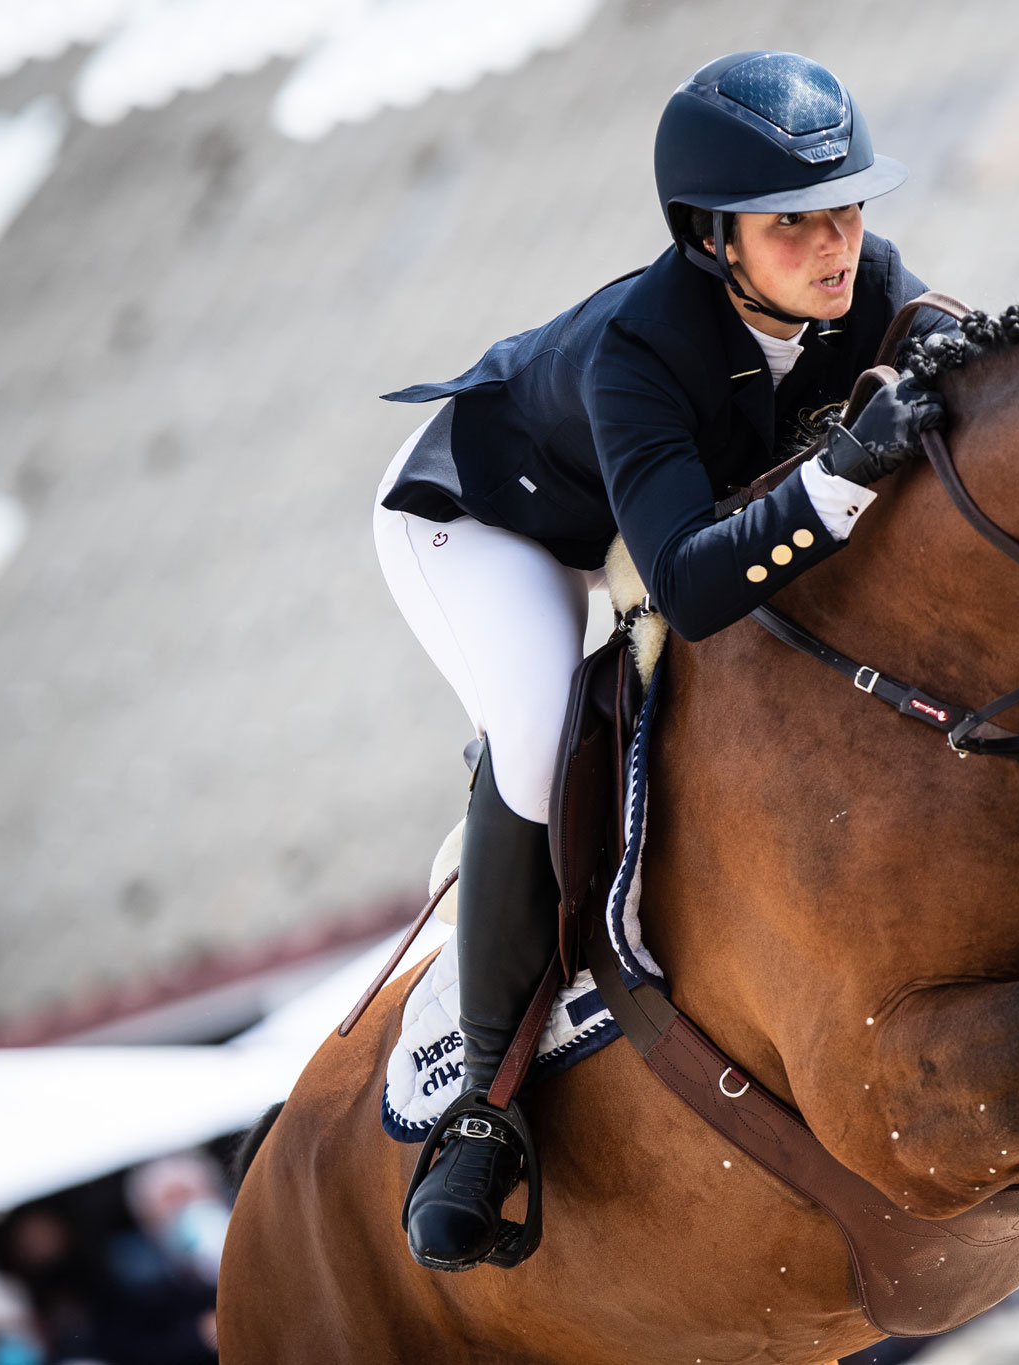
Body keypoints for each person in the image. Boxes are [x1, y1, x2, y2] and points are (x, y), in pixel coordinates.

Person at [372, 51, 954, 1272]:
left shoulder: (870, 286)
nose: (835, 242)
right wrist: (844, 472)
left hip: (634, 520)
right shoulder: (637, 349)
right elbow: (692, 587)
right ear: (711, 238)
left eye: (847, 205)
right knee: (537, 727)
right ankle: (486, 1104)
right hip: (481, 524)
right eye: (793, 222)